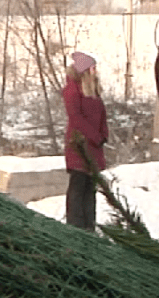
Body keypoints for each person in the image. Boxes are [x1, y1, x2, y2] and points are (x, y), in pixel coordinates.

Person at [63, 50, 109, 231]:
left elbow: (102, 114)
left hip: (94, 146)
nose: (95, 71)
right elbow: (76, 118)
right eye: (92, 67)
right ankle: (75, 225)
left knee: (90, 187)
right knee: (78, 184)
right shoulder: (72, 90)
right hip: (79, 144)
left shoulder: (93, 90)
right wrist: (94, 136)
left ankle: (89, 224)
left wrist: (103, 133)